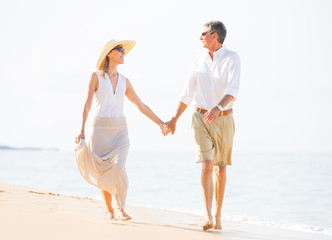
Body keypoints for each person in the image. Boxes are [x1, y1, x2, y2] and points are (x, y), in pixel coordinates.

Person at [162, 21, 240, 231]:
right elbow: (187, 93)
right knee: (207, 165)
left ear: (214, 35)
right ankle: (207, 216)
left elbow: (233, 89)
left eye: (203, 34)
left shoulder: (232, 58)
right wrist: (173, 119)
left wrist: (217, 107)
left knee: (220, 169)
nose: (200, 38)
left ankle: (218, 215)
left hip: (224, 118)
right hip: (200, 118)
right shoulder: (198, 60)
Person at [75, 39, 164, 221]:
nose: (124, 53)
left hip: (120, 131)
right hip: (99, 129)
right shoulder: (96, 77)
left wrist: (161, 123)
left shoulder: (125, 81)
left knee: (117, 167)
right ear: (109, 53)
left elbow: (142, 106)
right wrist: (81, 129)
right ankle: (110, 210)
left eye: (124, 50)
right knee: (103, 171)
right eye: (120, 50)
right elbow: (87, 104)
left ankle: (121, 207)